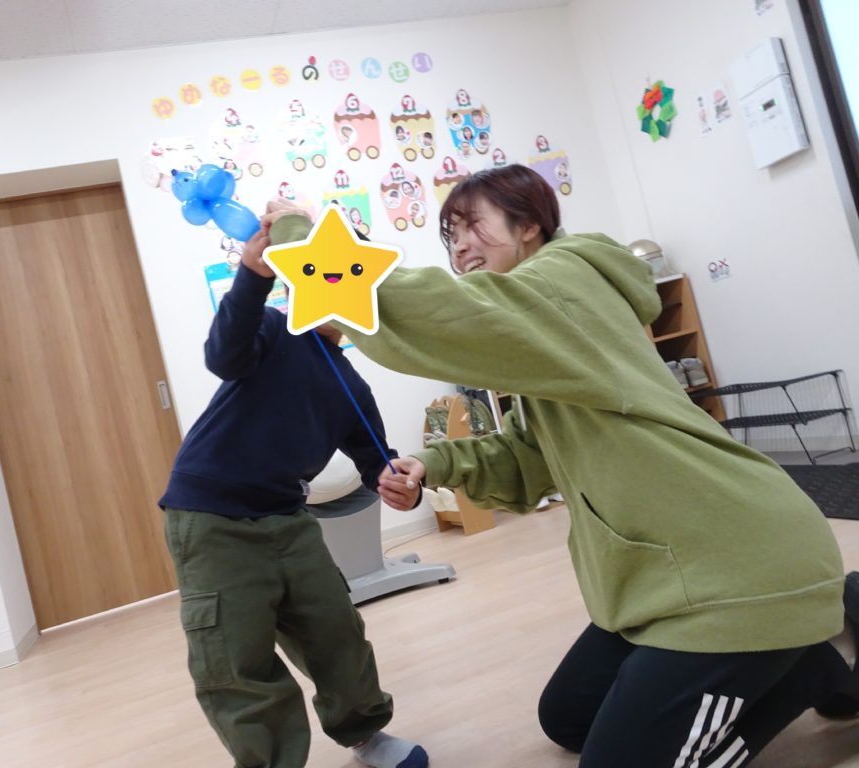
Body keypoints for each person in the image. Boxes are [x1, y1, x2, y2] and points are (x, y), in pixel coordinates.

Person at [265, 164, 859, 767]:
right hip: (672, 574)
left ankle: (810, 660)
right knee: (567, 717)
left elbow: (440, 312)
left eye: (472, 225)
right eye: (451, 235)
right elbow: (530, 455)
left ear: (529, 226)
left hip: (739, 572)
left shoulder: (564, 279)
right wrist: (432, 463)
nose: (460, 246)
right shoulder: (547, 324)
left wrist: (300, 239)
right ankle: (816, 650)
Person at [158, 207, 429, 768]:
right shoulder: (273, 330)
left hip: (288, 519)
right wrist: (252, 276)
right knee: (236, 657)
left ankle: (363, 732)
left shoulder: (350, 385)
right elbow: (224, 355)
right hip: (210, 517)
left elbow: (378, 461)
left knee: (336, 631)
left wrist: (404, 484)